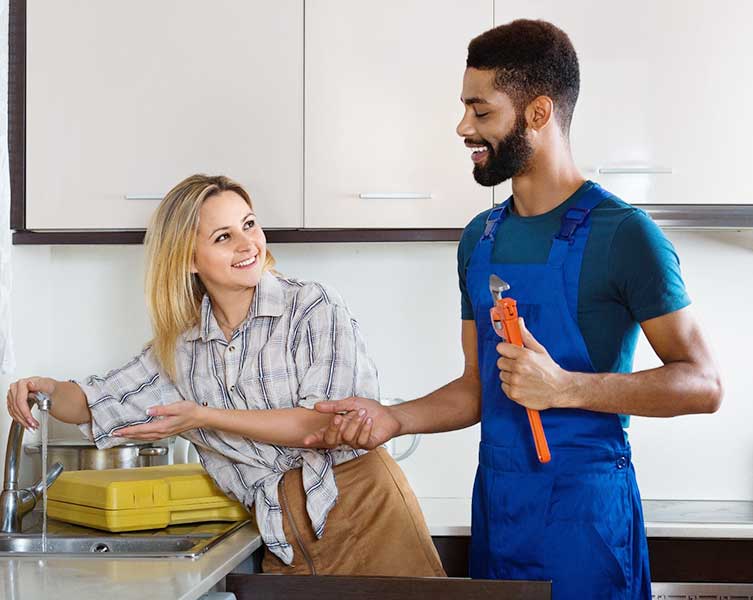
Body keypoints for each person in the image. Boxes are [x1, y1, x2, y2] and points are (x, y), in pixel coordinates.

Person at [305, 20, 722, 598]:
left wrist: (567, 389)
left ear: (538, 112)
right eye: (464, 109)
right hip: (500, 514)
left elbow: (703, 384)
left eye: (481, 112)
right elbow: (480, 388)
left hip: (586, 525)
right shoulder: (480, 237)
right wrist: (392, 418)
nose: (463, 128)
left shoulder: (625, 235)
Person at [5, 174, 445, 577]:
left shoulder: (311, 307)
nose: (247, 243)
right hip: (282, 533)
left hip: (364, 512)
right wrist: (47, 390)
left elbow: (323, 426)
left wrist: (205, 417)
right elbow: (97, 402)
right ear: (189, 260)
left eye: (249, 224)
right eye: (223, 236)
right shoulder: (181, 347)